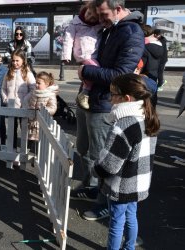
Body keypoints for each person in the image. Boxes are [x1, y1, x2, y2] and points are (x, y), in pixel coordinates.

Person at [72, 0, 145, 221]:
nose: (100, 19)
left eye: (103, 14)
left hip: (105, 104)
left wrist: (86, 71)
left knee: (101, 156)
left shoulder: (131, 32)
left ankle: (104, 203)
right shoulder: (110, 29)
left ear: (119, 9)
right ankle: (94, 188)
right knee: (84, 149)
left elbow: (121, 75)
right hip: (91, 100)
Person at [93, 73, 160, 250]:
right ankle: (129, 247)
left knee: (116, 223)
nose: (110, 99)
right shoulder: (148, 118)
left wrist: (95, 170)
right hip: (138, 183)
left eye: (113, 94)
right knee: (131, 216)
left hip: (121, 185)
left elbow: (109, 165)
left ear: (126, 98)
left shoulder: (123, 125)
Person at [61, 0, 101, 110]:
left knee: (94, 70)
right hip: (82, 53)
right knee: (95, 69)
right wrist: (66, 56)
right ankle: (85, 93)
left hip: (94, 53)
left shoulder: (99, 25)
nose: (89, 18)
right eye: (89, 14)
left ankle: (85, 90)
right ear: (85, 9)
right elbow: (68, 39)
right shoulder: (76, 22)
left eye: (93, 17)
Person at [1, 49, 36, 150]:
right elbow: (3, 88)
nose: (15, 63)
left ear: (23, 60)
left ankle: (23, 149)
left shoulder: (28, 73)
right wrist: (5, 98)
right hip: (11, 106)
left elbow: (33, 89)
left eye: (17, 60)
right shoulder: (8, 73)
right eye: (13, 60)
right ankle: (12, 148)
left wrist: (25, 99)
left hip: (23, 107)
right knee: (12, 129)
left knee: (24, 128)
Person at [23, 71, 58, 153]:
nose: (36, 85)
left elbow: (53, 107)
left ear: (47, 84)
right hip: (32, 121)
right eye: (36, 82)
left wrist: (44, 110)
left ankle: (37, 157)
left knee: (40, 141)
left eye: (39, 83)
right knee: (30, 140)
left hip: (42, 122)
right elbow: (26, 100)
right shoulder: (34, 92)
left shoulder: (50, 94)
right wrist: (27, 108)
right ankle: (30, 155)